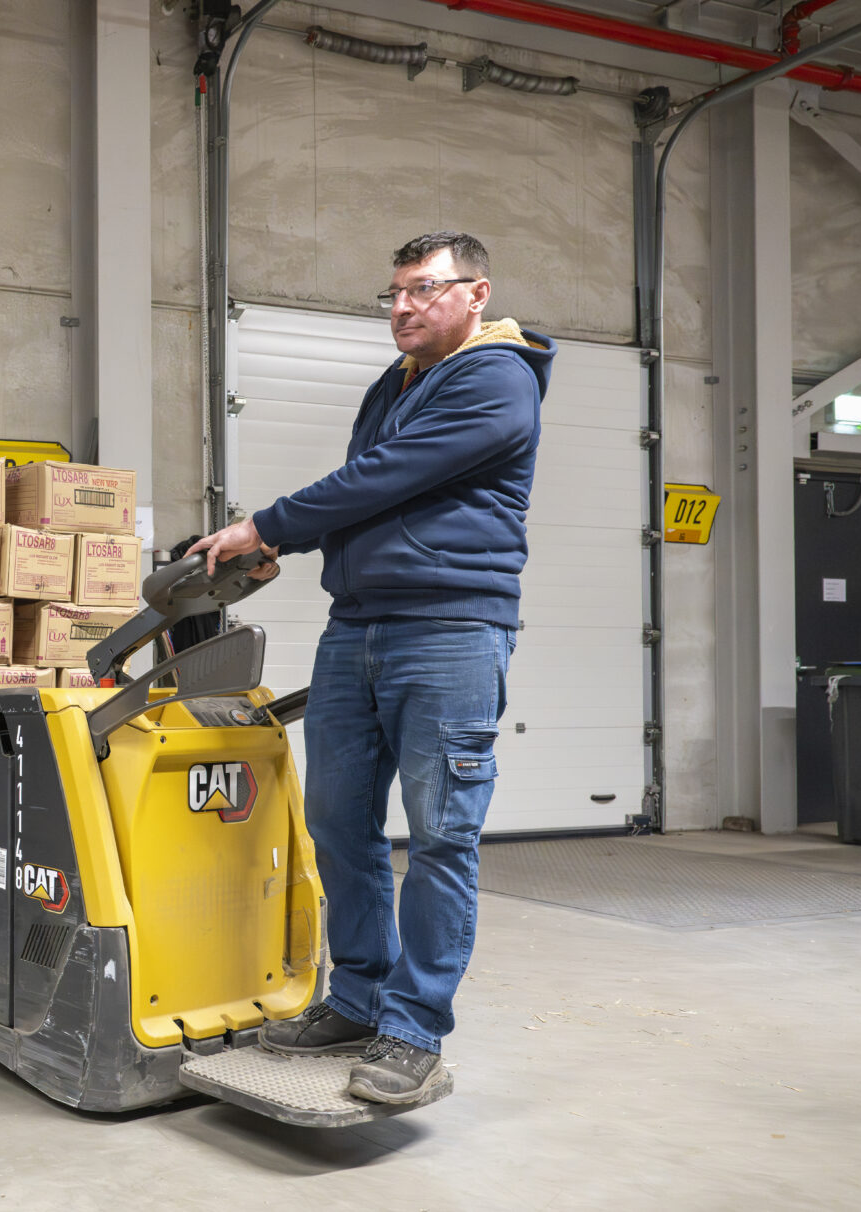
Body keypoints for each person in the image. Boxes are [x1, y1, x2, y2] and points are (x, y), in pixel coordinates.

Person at [191, 232, 555, 1104]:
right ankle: (356, 998)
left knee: (439, 836)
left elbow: (392, 475)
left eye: (424, 290)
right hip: (357, 628)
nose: (402, 307)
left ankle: (413, 1029)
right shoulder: (394, 384)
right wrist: (290, 543)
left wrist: (270, 525)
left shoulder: (496, 376)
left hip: (450, 630)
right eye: (392, 293)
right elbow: (367, 485)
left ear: (477, 294)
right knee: (339, 823)